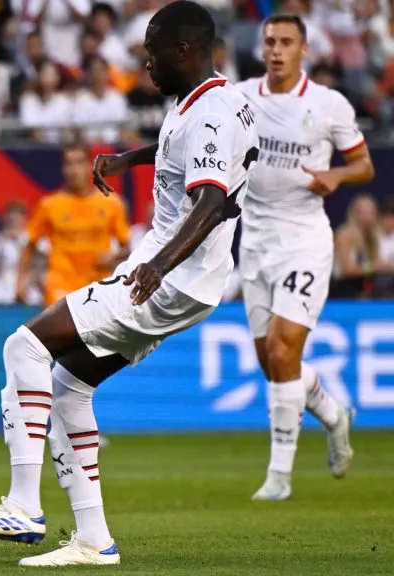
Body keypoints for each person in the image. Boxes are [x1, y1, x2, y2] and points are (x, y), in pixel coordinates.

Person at [0, 1, 259, 566]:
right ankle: (94, 539)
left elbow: (212, 199)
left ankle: (22, 505)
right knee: (69, 388)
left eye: (152, 52)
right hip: (194, 280)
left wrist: (159, 266)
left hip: (170, 274)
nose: (146, 64)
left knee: (24, 346)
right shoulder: (217, 101)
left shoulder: (210, 111)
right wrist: (129, 160)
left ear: (182, 50)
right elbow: (189, 159)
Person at [234, 15, 375, 502]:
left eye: (286, 42)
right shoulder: (241, 97)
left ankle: (279, 477)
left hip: (304, 240)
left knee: (282, 348)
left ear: (304, 49)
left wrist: (337, 177)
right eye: (270, 41)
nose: (276, 50)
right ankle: (335, 415)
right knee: (274, 365)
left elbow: (364, 164)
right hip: (253, 241)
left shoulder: (328, 103)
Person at [14, 143, 131, 307]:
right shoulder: (50, 205)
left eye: (79, 162)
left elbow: (126, 247)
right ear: (63, 169)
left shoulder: (112, 203)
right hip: (60, 285)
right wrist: (20, 282)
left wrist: (113, 257)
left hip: (97, 285)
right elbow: (29, 244)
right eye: (69, 163)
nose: (74, 170)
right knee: (61, 331)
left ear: (90, 166)